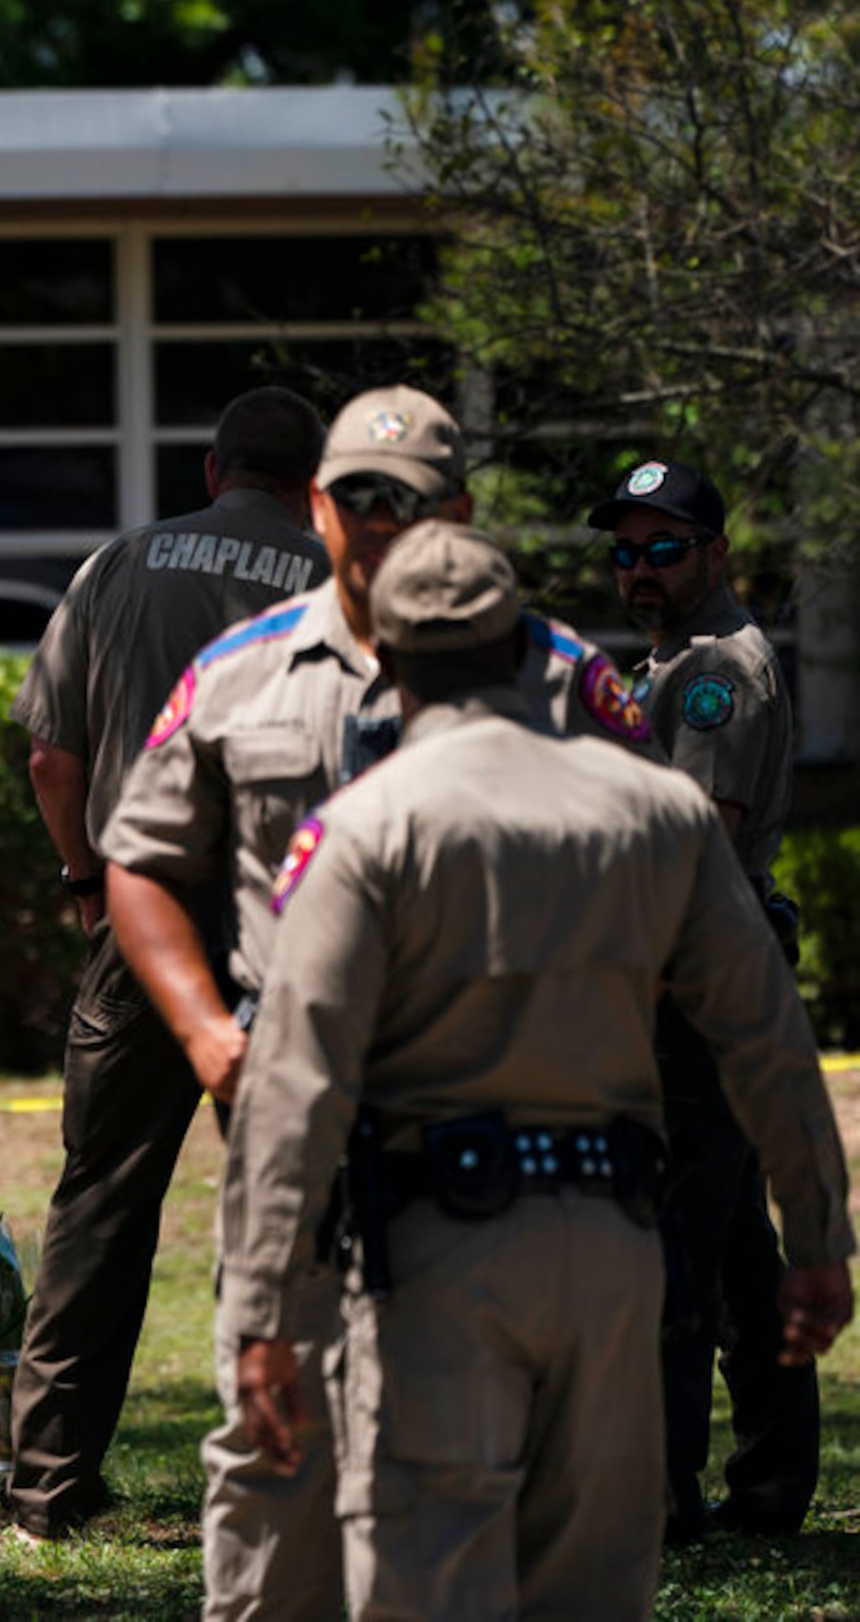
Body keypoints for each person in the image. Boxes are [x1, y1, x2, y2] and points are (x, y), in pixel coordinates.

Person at [98, 385, 656, 1620]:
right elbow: (135, 858)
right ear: (313, 505)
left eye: (405, 501)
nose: (376, 520)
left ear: (456, 512)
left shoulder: (558, 676)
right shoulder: (240, 674)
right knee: (278, 1451)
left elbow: (662, 861)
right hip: (296, 1126)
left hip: (500, 1142)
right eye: (354, 496)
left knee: (485, 1479)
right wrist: (203, 1028)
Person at [224, 521, 851, 1618]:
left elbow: (295, 1086)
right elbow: (765, 1038)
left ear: (390, 662)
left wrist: (269, 1307)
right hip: (610, 1257)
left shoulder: (363, 828)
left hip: (433, 1253)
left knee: (428, 1575)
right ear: (524, 648)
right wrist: (817, 1239)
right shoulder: (659, 815)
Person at [4, 386, 328, 1539]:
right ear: (311, 480)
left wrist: (93, 886)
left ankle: (46, 1481)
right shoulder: (336, 583)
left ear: (210, 469)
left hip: (140, 924)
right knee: (299, 1208)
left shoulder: (111, 569)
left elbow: (50, 756)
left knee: (99, 1199)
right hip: (290, 930)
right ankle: (301, 1480)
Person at [587, 458, 812, 1539]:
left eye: (662, 547)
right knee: (727, 1247)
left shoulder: (716, 668)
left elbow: (694, 839)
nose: (638, 568)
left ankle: (661, 1496)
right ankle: (769, 1482)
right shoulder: (674, 659)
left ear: (715, 551)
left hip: (692, 991)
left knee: (669, 1245)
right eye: (624, 549)